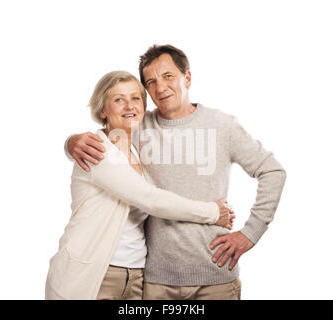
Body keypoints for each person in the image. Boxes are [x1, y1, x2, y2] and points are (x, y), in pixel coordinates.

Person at [66, 45, 286, 300]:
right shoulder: (137, 125)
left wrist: (251, 233)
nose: (160, 87)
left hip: (215, 276)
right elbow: (105, 136)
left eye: (168, 76)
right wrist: (71, 142)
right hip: (157, 282)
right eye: (151, 81)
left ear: (187, 78)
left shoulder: (221, 125)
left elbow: (272, 171)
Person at [45, 71, 235, 300]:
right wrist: (213, 212)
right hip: (94, 273)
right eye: (118, 99)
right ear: (103, 110)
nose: (129, 105)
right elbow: (150, 199)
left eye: (136, 98)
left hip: (136, 276)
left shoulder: (138, 150)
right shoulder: (98, 149)